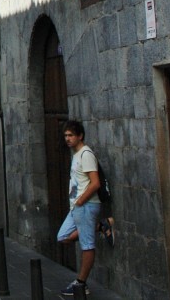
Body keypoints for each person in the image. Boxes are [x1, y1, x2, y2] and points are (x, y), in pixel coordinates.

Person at [56, 120, 102, 297]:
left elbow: (95, 182)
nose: (67, 139)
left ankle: (81, 283)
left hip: (86, 206)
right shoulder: (76, 154)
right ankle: (101, 226)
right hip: (77, 207)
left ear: (80, 136)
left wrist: (81, 201)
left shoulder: (85, 154)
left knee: (87, 245)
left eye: (71, 135)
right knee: (63, 237)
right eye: (66, 136)